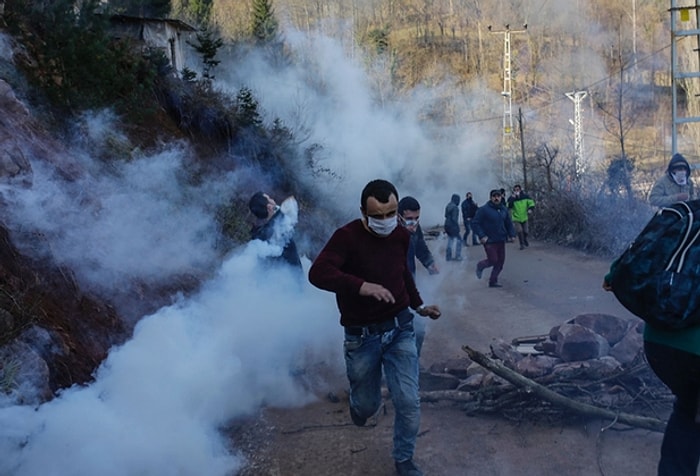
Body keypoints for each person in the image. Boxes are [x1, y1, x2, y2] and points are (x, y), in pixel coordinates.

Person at [308, 179, 441, 476]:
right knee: (367, 407)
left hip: (399, 329)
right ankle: (359, 406)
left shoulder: (401, 236)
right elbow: (317, 273)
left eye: (391, 213)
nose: (386, 221)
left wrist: (418, 306)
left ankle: (404, 460)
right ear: (363, 212)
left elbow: (402, 272)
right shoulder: (346, 237)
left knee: (408, 400)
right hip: (362, 337)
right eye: (377, 216)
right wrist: (360, 286)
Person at [603, 265, 700, 476]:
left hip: (660, 342)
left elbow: (625, 264)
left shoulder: (682, 229)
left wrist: (614, 276)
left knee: (687, 411)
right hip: (695, 350)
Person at [398, 196, 439, 357]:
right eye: (409, 219)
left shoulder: (415, 229)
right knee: (397, 331)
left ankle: (413, 364)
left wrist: (430, 263)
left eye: (416, 219)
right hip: (393, 289)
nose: (413, 223)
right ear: (399, 216)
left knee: (419, 328)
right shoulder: (390, 233)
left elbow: (420, 247)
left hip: (410, 283)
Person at [471, 189, 516, 288]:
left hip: (501, 239)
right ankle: (480, 266)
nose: (496, 198)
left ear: (501, 197)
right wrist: (482, 236)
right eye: (494, 196)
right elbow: (475, 223)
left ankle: (493, 281)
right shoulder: (484, 210)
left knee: (500, 262)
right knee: (493, 260)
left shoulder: (504, 209)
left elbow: (508, 223)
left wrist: (512, 234)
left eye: (498, 196)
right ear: (490, 198)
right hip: (489, 240)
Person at [248, 191, 302, 268]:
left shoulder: (257, 237)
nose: (273, 199)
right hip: (293, 276)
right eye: (269, 198)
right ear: (269, 207)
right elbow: (290, 204)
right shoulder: (280, 226)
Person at [507, 184, 535, 250]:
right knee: (520, 231)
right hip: (516, 217)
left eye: (518, 190)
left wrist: (530, 209)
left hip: (524, 217)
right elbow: (508, 206)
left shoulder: (525, 196)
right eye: (515, 190)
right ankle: (522, 244)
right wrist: (513, 198)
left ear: (520, 190)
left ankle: (524, 239)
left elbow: (531, 203)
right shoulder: (511, 198)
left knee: (526, 231)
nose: (517, 191)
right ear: (513, 191)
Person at [444, 193, 462, 261]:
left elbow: (445, 215)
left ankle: (448, 257)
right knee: (459, 240)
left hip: (446, 225)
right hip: (452, 226)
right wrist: (457, 228)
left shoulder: (448, 205)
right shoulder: (455, 208)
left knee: (450, 240)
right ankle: (458, 256)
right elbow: (455, 219)